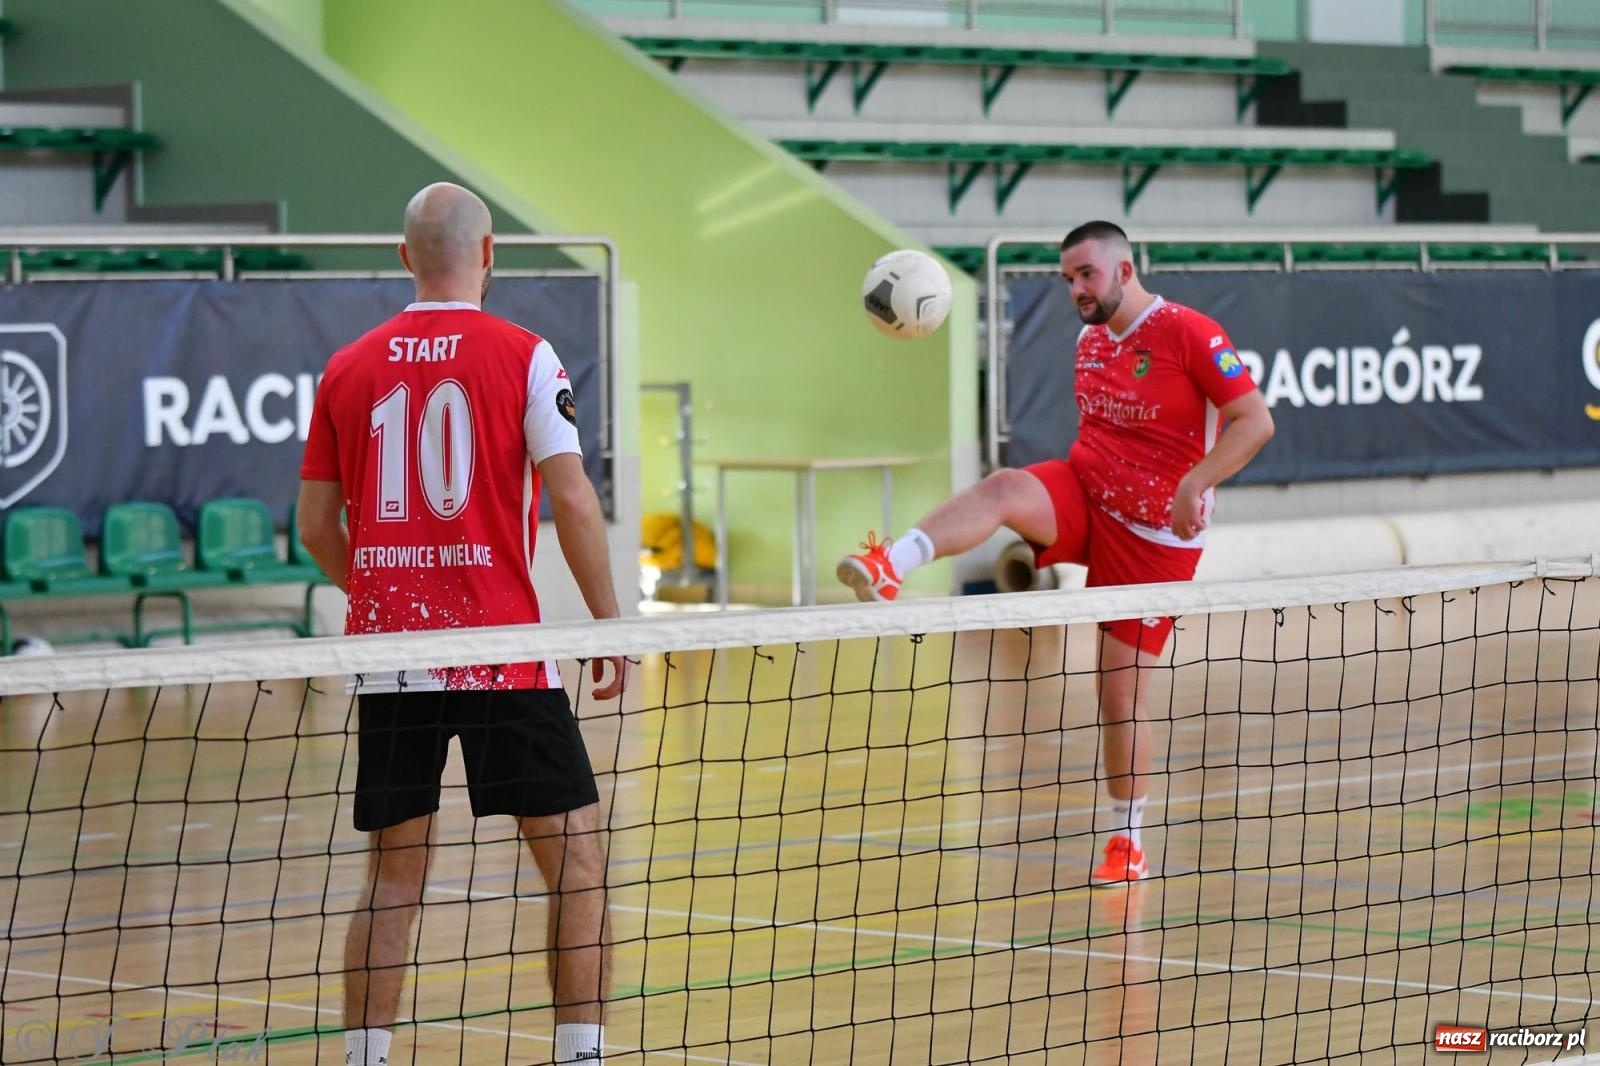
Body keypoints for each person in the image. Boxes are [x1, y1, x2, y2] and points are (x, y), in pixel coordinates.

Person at [837, 220, 1274, 885]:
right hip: (1086, 492)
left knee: (1118, 694)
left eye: (1086, 275)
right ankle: (890, 563)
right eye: (1067, 278)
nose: (1075, 289)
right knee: (1007, 485)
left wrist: (1195, 482)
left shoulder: (1190, 332)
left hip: (1154, 537)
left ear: (1124, 272)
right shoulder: (1088, 338)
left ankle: (1127, 842)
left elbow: (1255, 421)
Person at [297, 182, 625, 1065]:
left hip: (395, 655)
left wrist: (377, 589)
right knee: (578, 864)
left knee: (394, 878)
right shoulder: (525, 354)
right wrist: (608, 624)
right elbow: (573, 500)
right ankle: (579, 1053)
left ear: (406, 258)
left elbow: (317, 529)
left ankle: (366, 1058)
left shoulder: (348, 365)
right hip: (501, 653)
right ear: (489, 255)